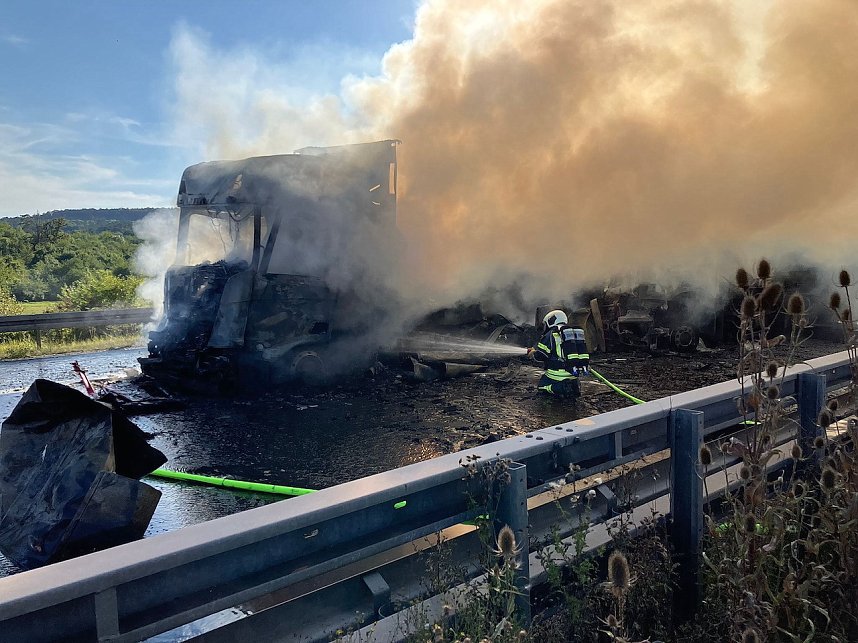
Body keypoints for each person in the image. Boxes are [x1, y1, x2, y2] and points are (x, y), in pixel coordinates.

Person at [527, 309, 589, 398]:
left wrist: (533, 353)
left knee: (542, 386)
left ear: (550, 321)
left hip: (556, 375)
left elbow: (541, 355)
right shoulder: (570, 333)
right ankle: (571, 387)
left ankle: (560, 388)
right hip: (573, 374)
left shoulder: (551, 334)